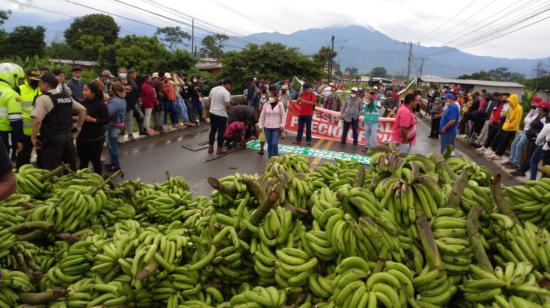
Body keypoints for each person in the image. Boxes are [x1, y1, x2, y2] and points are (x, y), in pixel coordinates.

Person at [31, 72, 86, 170]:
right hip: (68, 137)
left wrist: (34, 138)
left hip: (52, 140)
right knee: (69, 169)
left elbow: (37, 120)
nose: (39, 85)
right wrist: (78, 128)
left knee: (51, 170)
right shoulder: (65, 96)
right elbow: (82, 110)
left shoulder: (43, 99)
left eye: (41, 83)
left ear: (46, 85)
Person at [77, 82, 109, 174]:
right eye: (83, 90)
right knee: (83, 162)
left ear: (93, 93)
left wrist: (92, 120)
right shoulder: (81, 104)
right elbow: (74, 115)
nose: (83, 92)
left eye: (86, 90)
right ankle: (82, 182)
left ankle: (99, 182)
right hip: (82, 138)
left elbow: (106, 120)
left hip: (96, 139)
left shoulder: (101, 104)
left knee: (96, 162)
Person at [511, 103, 550, 177]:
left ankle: (523, 172)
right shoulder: (540, 116)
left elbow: (544, 131)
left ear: (544, 110)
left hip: (536, 141)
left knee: (531, 158)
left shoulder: (545, 119)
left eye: (540, 109)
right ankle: (520, 170)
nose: (539, 110)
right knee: (528, 156)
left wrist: (537, 138)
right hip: (531, 139)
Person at [504, 96, 543, 169]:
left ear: (536, 102)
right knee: (513, 144)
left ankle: (515, 163)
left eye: (533, 101)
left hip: (529, 132)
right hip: (524, 130)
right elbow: (526, 119)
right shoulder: (532, 110)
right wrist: (528, 120)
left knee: (519, 145)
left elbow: (531, 121)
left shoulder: (539, 112)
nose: (531, 103)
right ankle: (511, 160)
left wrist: (528, 120)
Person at [16, 68, 42, 168]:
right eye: (33, 79)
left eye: (37, 79)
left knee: (42, 160)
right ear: (27, 78)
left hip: (40, 131)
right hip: (25, 132)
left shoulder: (42, 89)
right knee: (23, 160)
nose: (35, 81)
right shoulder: (19, 89)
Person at [0, 63, 25, 161]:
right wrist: (20, 140)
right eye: (18, 79)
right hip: (5, 134)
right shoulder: (12, 94)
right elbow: (16, 120)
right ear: (11, 77)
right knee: (6, 163)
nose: (18, 82)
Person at [489, 94, 522, 161]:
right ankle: (497, 153)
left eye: (510, 101)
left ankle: (499, 155)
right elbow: (508, 117)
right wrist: (505, 125)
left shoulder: (519, 108)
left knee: (505, 142)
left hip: (512, 129)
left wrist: (508, 126)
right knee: (501, 140)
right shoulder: (511, 107)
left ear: (514, 101)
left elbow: (516, 121)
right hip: (506, 127)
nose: (509, 103)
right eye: (509, 101)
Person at [258, 89, 286, 158]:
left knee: (274, 143)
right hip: (267, 127)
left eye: (272, 96)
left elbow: (283, 116)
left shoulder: (280, 105)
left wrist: (282, 125)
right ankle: (270, 158)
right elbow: (262, 116)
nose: (270, 98)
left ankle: (276, 157)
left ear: (276, 97)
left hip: (276, 127)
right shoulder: (266, 104)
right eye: (269, 96)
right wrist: (260, 126)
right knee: (269, 144)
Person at [208, 78, 232, 154]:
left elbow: (209, 100)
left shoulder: (213, 89)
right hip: (221, 114)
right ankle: (219, 149)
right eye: (230, 85)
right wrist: (228, 111)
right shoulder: (226, 92)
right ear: (227, 84)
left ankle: (210, 147)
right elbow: (228, 104)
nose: (231, 87)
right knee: (221, 132)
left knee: (213, 130)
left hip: (212, 112)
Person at [106, 81, 126, 172]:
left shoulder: (114, 101)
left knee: (112, 146)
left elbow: (107, 113)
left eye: (111, 88)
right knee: (113, 145)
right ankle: (113, 162)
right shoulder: (122, 100)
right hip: (119, 125)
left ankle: (116, 165)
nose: (109, 90)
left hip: (114, 126)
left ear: (114, 91)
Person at [118, 67, 139, 140]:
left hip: (130, 103)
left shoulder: (130, 80)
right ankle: (121, 134)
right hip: (120, 105)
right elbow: (115, 89)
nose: (122, 73)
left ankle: (130, 133)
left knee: (130, 119)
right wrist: (125, 88)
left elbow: (134, 87)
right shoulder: (116, 81)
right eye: (121, 72)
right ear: (118, 73)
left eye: (124, 72)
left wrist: (124, 88)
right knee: (121, 120)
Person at [128, 68, 146, 135]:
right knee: (140, 115)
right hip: (133, 102)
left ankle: (142, 130)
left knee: (139, 116)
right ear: (130, 74)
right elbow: (132, 92)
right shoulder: (129, 81)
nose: (135, 74)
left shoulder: (134, 81)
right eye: (134, 73)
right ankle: (138, 130)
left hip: (136, 101)